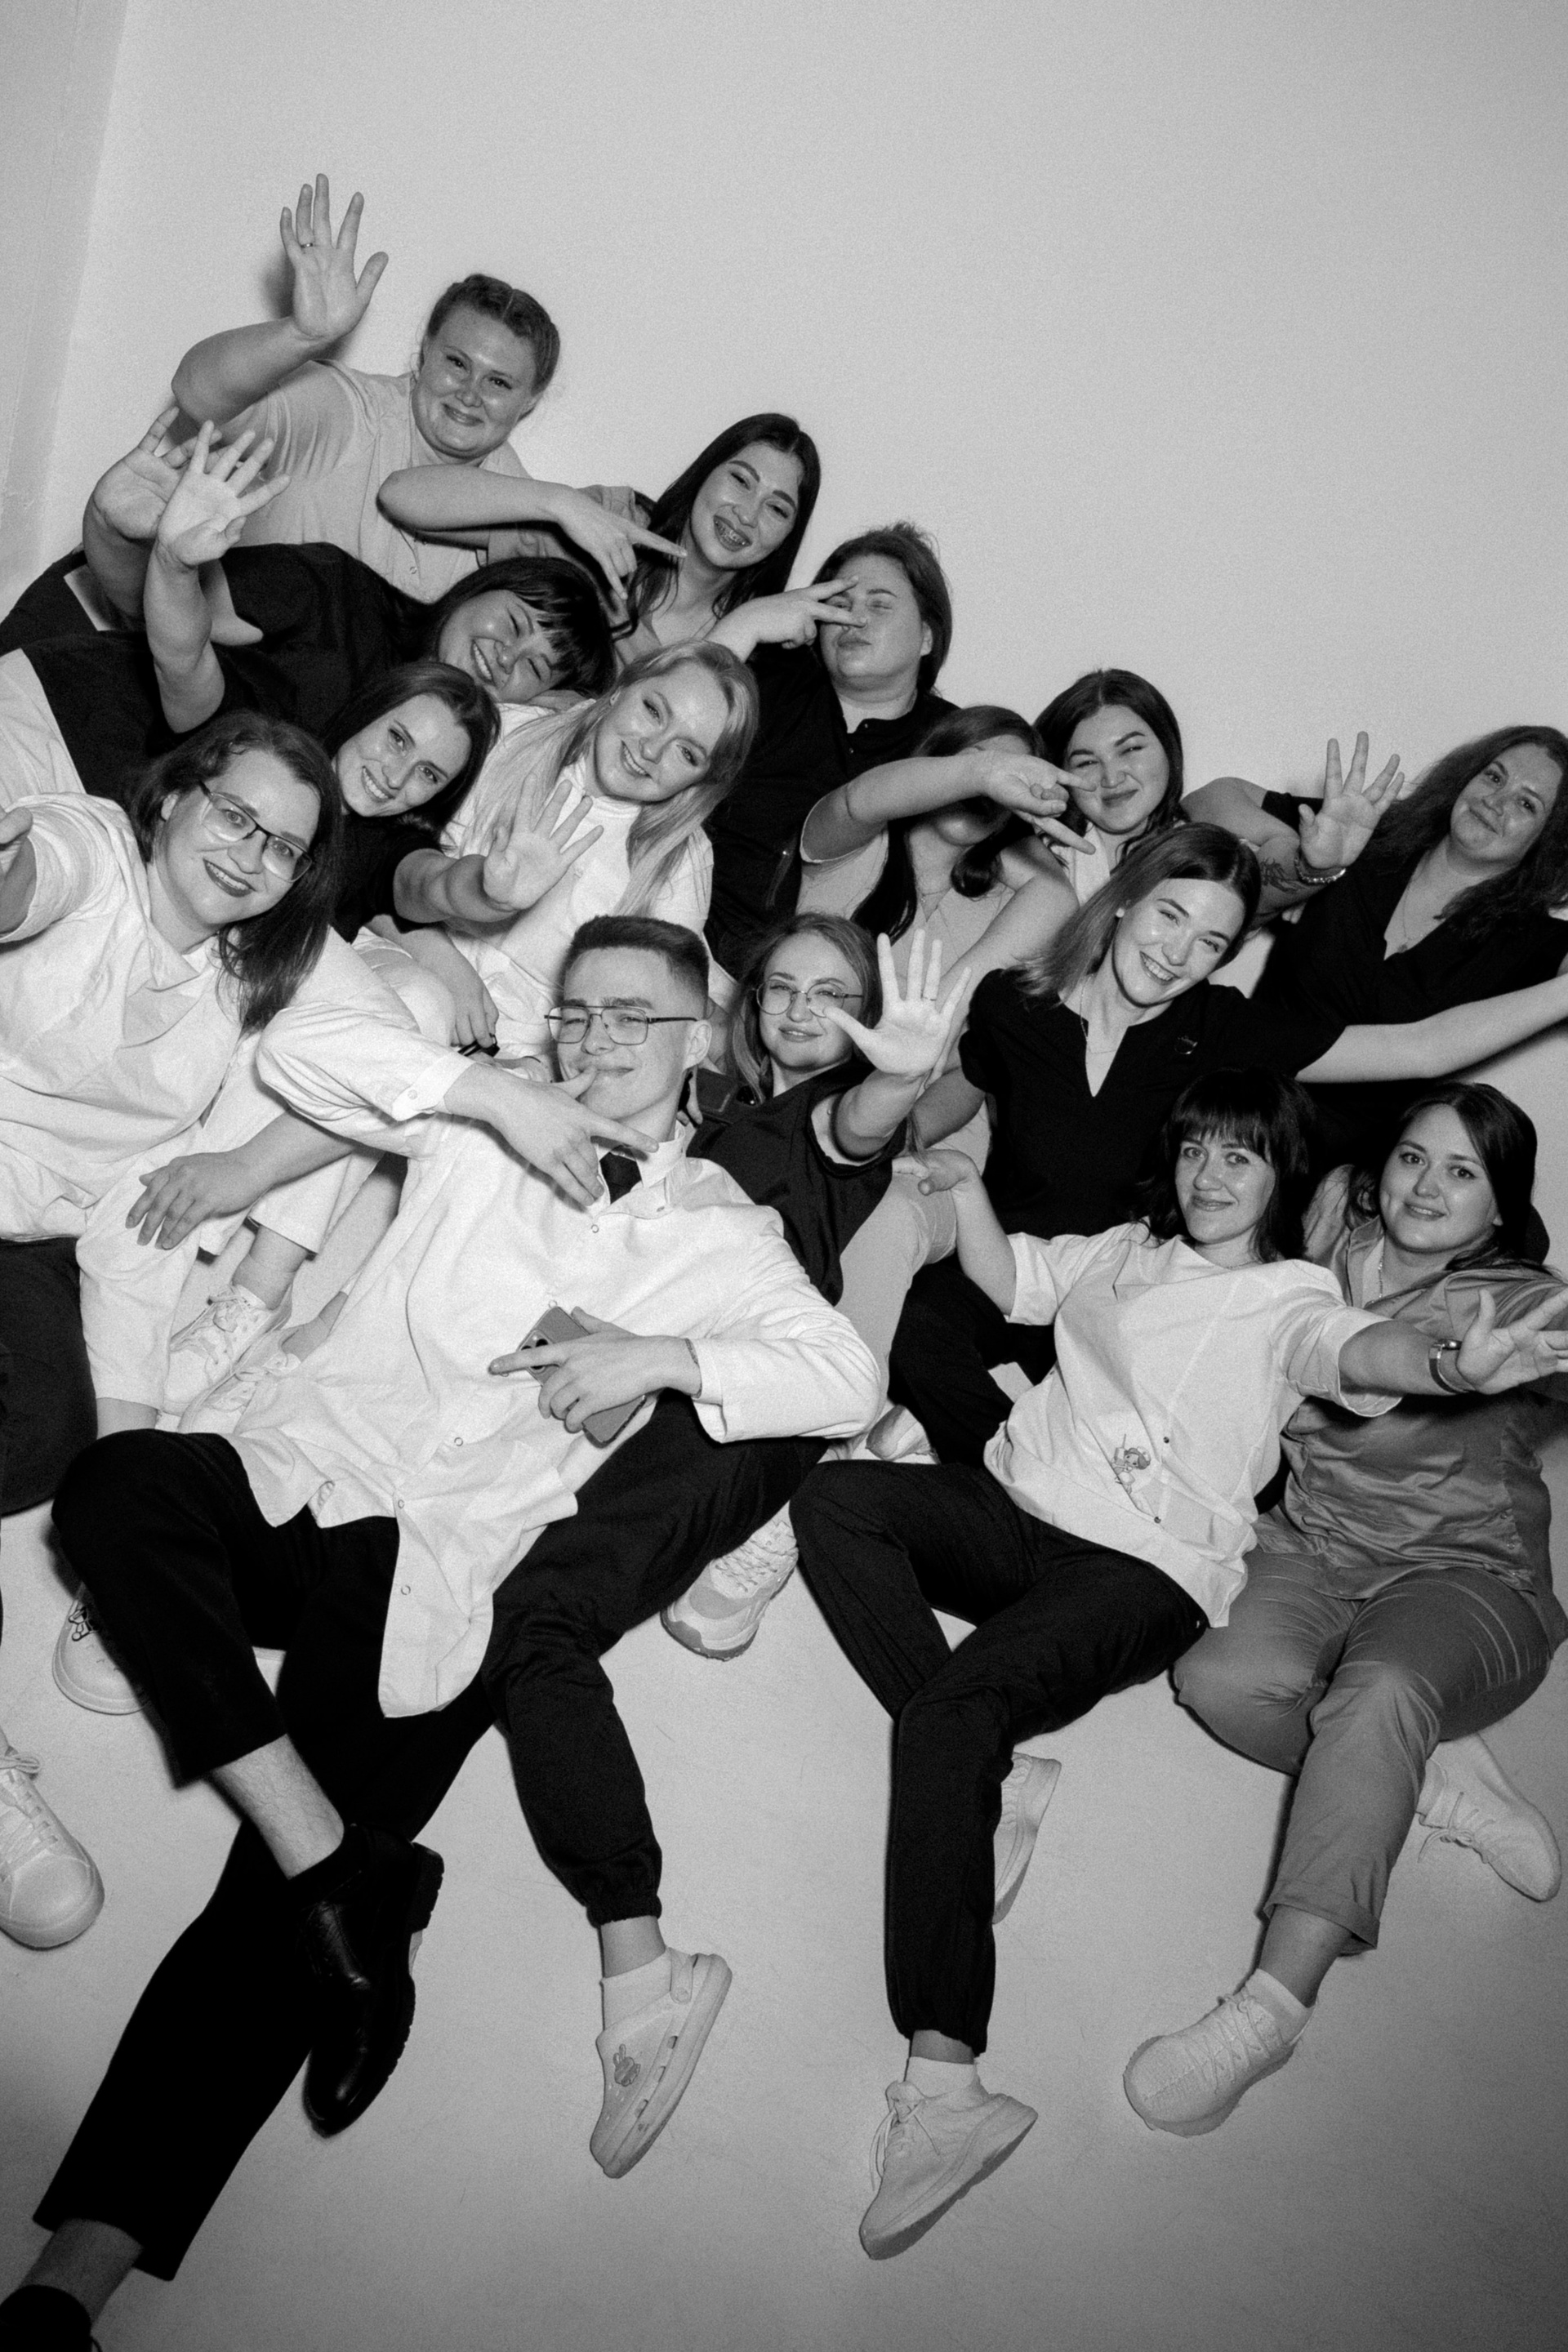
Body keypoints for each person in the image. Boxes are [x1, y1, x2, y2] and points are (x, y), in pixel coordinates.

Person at [1, 917, 876, 2345]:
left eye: (633, 1018)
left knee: (260, 1933)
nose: (595, 1041)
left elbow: (844, 1376)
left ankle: (57, 2301)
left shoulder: (721, 1230)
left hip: (443, 1571)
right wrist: (489, 1094)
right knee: (114, 1492)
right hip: (300, 1484)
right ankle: (339, 1862)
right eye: (577, 1012)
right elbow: (302, 1048)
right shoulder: (483, 1118)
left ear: (700, 1042)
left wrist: (659, 1356)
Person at [787, 1069, 1568, 2259]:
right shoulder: (1129, 1252)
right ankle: (992, 1767)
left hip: (1142, 1571)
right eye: (1198, 1148)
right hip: (1024, 1517)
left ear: (1281, 1177)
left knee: (953, 1719)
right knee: (839, 1505)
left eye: (1240, 1156)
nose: (1211, 1173)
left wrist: (1455, 1368)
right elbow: (1018, 1278)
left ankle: (947, 2089)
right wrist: (963, 1186)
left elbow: (1362, 1351)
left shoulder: (1293, 1295)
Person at [1124, 1082, 1566, 2137]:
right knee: (1217, 1679)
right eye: (1414, 1158)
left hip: (1465, 1574)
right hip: (1313, 1547)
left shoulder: (1517, 1302)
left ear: (1499, 1208)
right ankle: (1425, 1776)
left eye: (1463, 1172)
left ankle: (1271, 2010)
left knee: (1382, 1691)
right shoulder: (1317, 1252)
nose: (1429, 1187)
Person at [893, 824, 1568, 1465]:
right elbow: (969, 1082)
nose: (1175, 954)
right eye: (1170, 916)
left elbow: (1422, 1048)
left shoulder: (1219, 1028)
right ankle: (1015, 1472)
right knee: (919, 1329)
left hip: (1133, 1295)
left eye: (1210, 943)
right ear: (1126, 899)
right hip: (1009, 1262)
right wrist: (908, 1128)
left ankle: (1038, 1476)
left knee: (1228, 1459)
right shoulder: (1015, 1001)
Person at [0, 416, 612, 814]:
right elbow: (157, 607)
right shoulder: (340, 593)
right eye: (514, 625)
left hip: (139, 826)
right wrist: (111, 528)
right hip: (69, 728)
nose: (506, 657)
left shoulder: (439, 766)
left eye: (535, 668)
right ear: (482, 585)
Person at [663, 914, 971, 1657]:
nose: (802, 1009)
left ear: (866, 1018)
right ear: (755, 1000)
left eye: (831, 995)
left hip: (799, 1333)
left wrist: (898, 1078)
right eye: (784, 988)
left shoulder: (838, 1108)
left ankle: (824, 1463)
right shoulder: (725, 1098)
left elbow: (856, 1130)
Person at [1192, 724, 1568, 1165]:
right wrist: (1304, 863)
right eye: (1493, 776)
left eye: (1526, 804)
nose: (1496, 801)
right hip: (1229, 1113)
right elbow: (1208, 800)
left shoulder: (1528, 938)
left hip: (1346, 1177)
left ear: (1550, 838)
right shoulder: (1366, 834)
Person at [403, 642, 759, 1056]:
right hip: (410, 969)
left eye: (687, 753)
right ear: (621, 689)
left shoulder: (682, 863)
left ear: (702, 781)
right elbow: (370, 863)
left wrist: (537, 1068)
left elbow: (647, 1021)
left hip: (532, 1056)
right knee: (420, 1002)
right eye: (653, 711)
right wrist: (440, 959)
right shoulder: (510, 734)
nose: (651, 750)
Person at [701, 521, 957, 976]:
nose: (854, 620)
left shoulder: (953, 743)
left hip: (840, 989)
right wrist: (747, 622)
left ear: (927, 637)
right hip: (697, 951)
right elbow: (664, 716)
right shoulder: (764, 685)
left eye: (879, 605)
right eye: (839, 605)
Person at [381, 410, 822, 651]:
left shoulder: (759, 638)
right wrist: (558, 503)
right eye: (741, 480)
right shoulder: (613, 524)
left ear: (789, 535)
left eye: (777, 509)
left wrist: (744, 629)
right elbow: (401, 495)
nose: (747, 514)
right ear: (705, 473)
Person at [797, 704, 1082, 987]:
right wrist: (980, 775)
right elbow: (857, 799)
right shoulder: (851, 843)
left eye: (1013, 782)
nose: (990, 789)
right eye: (974, 761)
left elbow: (1058, 897)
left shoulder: (1015, 900)